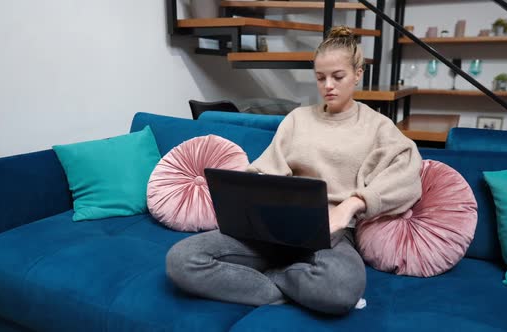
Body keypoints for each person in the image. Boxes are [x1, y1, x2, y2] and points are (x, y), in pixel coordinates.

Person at [166, 26, 422, 315]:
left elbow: (409, 173)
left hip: (332, 233)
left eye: (338, 77)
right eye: (320, 77)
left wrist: (352, 204)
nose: (328, 86)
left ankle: (273, 277)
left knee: (341, 288)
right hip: (275, 224)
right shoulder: (297, 119)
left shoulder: (378, 126)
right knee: (182, 259)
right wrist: (250, 193)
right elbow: (265, 169)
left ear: (358, 73)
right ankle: (288, 286)